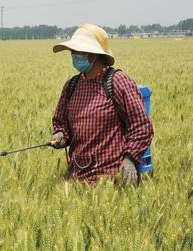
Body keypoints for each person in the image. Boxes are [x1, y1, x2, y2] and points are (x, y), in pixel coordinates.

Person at [50, 24, 154, 184]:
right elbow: (61, 122)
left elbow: (141, 127)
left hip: (112, 181)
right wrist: (60, 135)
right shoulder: (71, 86)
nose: (74, 55)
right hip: (77, 181)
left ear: (95, 54)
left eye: (80, 50)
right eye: (73, 51)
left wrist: (130, 158)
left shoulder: (117, 82)